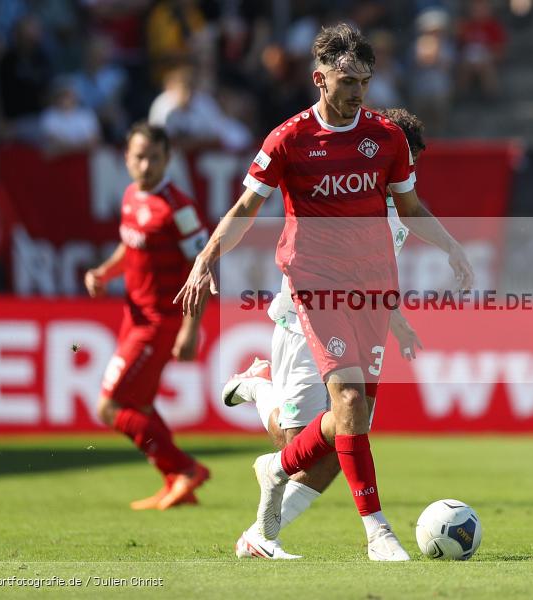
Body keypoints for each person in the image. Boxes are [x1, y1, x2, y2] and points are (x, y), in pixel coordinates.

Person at [175, 24, 473, 561]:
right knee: (341, 412)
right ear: (320, 79)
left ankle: (262, 522)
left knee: (337, 440)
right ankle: (377, 533)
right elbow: (246, 208)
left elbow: (408, 210)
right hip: (311, 291)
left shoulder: (385, 141)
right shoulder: (288, 139)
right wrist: (205, 257)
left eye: (365, 80)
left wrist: (450, 247)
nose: (357, 89)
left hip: (371, 298)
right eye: (347, 79)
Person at [222, 108, 431, 560]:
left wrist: (396, 321)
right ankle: (260, 388)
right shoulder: (345, 190)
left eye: (407, 163)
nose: (401, 172)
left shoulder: (398, 213)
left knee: (343, 440)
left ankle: (260, 536)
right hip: (306, 317)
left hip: (357, 319)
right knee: (301, 443)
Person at [85, 122, 211, 511]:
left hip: (161, 322)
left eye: (154, 158)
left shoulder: (179, 208)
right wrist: (104, 272)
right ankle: (176, 481)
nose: (146, 165)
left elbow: (202, 271)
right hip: (134, 316)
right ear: (126, 158)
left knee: (109, 407)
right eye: (139, 156)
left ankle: (186, 468)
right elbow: (130, 247)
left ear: (167, 159)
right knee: (139, 406)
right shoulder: (129, 196)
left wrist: (191, 329)